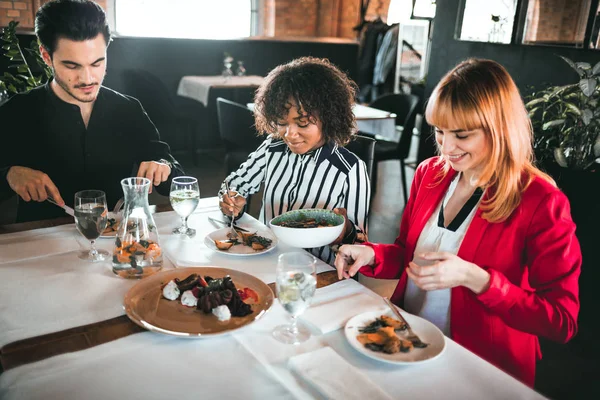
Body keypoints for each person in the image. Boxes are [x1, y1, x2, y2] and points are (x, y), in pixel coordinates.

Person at [335, 58, 581, 386]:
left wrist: (477, 279)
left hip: (481, 367)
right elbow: (408, 255)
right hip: (410, 344)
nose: (447, 147)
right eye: (439, 131)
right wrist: (373, 255)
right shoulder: (429, 174)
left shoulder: (540, 201)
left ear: (498, 130)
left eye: (462, 135)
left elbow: (561, 321)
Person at [0, 0, 183, 222]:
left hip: (116, 240)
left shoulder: (129, 109)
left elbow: (174, 173)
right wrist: (9, 175)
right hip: (43, 240)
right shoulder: (19, 111)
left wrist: (162, 166)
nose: (87, 79)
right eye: (72, 66)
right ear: (46, 56)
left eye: (97, 63)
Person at [219, 57, 371, 265]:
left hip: (318, 270)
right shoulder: (271, 148)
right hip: (266, 259)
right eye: (282, 123)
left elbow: (359, 242)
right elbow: (235, 184)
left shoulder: (350, 170)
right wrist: (231, 200)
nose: (290, 134)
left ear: (329, 117)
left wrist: (345, 230)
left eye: (302, 124)